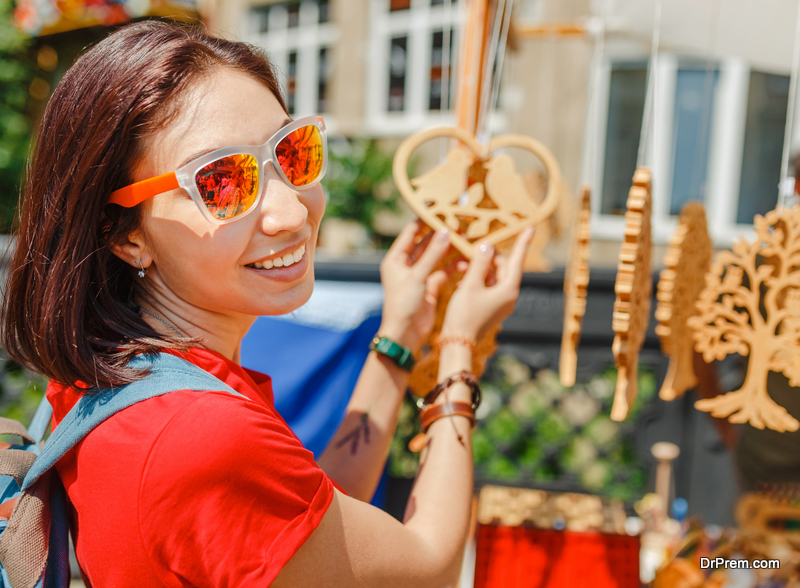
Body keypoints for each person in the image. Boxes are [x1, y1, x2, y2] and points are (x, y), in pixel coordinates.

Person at [1, 21, 533, 587]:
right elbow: (429, 571)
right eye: (224, 182)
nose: (293, 213)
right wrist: (458, 350)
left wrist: (399, 339)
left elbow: (307, 533)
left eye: (293, 151)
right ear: (123, 232)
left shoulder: (118, 379)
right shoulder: (199, 432)